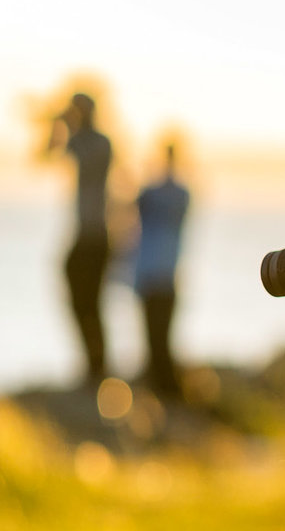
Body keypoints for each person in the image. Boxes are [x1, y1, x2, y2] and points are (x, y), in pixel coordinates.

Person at [46, 91, 116, 382]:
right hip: (84, 234)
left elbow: (84, 159)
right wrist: (56, 125)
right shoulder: (81, 139)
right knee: (80, 300)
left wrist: (67, 124)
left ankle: (98, 366)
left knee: (91, 302)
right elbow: (47, 153)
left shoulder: (101, 143)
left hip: (96, 236)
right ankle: (93, 363)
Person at [130, 139, 193, 400]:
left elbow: (139, 204)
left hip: (158, 273)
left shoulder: (165, 194)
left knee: (158, 338)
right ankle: (163, 389)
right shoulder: (177, 194)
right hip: (158, 273)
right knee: (157, 338)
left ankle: (165, 390)